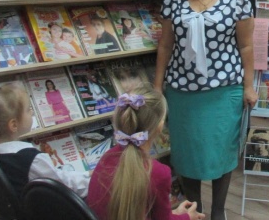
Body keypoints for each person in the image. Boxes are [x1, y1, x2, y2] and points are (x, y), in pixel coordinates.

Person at [154, 0, 256, 220]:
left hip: (223, 92)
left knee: (222, 152)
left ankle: (218, 211)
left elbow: (246, 46)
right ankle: (194, 210)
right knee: (187, 155)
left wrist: (248, 86)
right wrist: (157, 86)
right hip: (181, 93)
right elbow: (165, 45)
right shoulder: (172, 0)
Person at [0, 83, 89, 197]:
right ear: (13, 125)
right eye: (28, 110)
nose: (32, 112)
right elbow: (67, 188)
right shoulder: (30, 159)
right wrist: (92, 177)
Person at [86, 86, 203, 220]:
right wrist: (187, 217)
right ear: (160, 127)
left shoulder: (107, 156)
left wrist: (174, 214)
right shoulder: (159, 173)